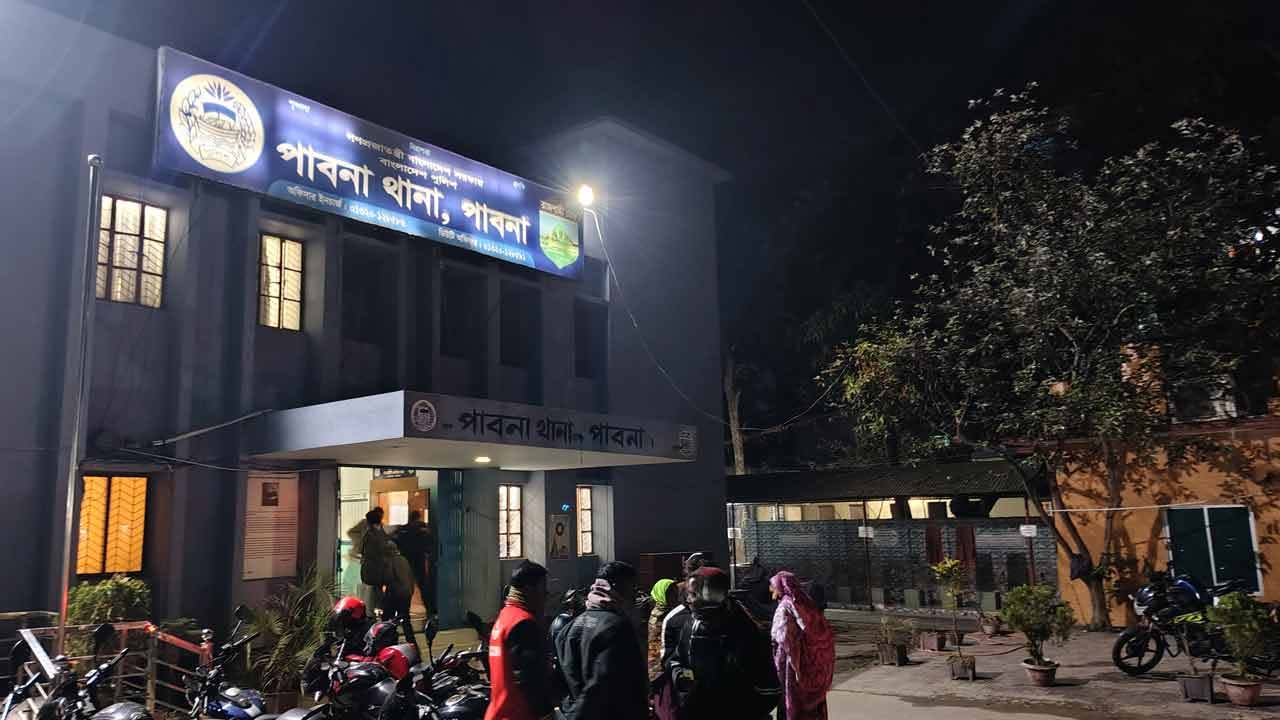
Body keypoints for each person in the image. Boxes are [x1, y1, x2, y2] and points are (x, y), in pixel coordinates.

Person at [662, 567, 780, 720]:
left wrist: (744, 711)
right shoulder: (691, 625)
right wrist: (679, 675)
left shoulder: (745, 631)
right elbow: (678, 659)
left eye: (693, 594)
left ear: (713, 596)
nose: (688, 600)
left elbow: (769, 689)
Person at [555, 561, 648, 720]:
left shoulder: (569, 627)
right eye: (632, 587)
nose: (636, 595)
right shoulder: (617, 627)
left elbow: (560, 683)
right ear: (617, 587)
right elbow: (603, 685)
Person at [486, 561, 554, 720]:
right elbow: (529, 679)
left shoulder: (505, 616)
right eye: (543, 587)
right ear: (529, 589)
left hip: (500, 712)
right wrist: (546, 714)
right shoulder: (524, 623)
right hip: (519, 714)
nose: (546, 594)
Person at [770, 571, 835, 720]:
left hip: (791, 665)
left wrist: (794, 667)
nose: (771, 591)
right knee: (813, 704)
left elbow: (783, 639)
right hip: (811, 665)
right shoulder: (806, 603)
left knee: (792, 702)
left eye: (773, 586)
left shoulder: (784, 608)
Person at [392, 509, 436, 615]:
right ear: (418, 518)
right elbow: (430, 543)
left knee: (406, 587)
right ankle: (430, 611)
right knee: (423, 587)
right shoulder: (423, 529)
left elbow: (395, 541)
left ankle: (403, 612)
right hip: (419, 560)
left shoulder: (403, 529)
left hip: (405, 561)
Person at [646, 579, 678, 682]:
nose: (674, 596)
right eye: (670, 593)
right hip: (659, 668)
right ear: (662, 594)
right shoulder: (659, 616)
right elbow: (655, 646)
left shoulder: (671, 611)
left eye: (675, 592)